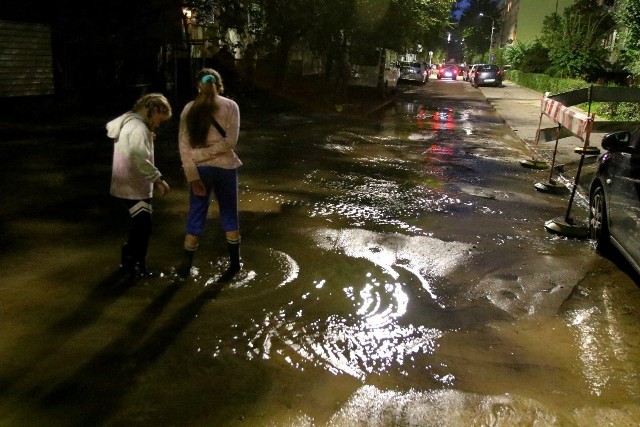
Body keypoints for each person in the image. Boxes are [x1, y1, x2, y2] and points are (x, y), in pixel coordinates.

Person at [177, 68, 242, 283]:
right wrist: (211, 152)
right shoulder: (231, 106)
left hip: (200, 170)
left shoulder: (188, 109)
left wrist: (193, 173)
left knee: (196, 214)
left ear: (198, 86)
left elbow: (184, 147)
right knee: (229, 214)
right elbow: (231, 143)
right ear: (219, 85)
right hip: (226, 168)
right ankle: (234, 265)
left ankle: (185, 267)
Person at [107, 93, 172, 279]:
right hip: (134, 187)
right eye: (160, 119)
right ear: (153, 111)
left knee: (140, 226)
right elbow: (139, 158)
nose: (159, 124)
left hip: (124, 185)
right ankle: (137, 268)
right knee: (143, 227)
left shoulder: (130, 123)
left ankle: (128, 266)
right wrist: (158, 179)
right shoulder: (138, 129)